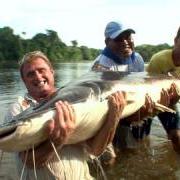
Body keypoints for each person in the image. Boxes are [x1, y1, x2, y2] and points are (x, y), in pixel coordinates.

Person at [4, 51, 127, 179]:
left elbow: (95, 149)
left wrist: (113, 117)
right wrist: (56, 141)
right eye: (30, 74)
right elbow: (29, 161)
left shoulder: (76, 99)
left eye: (42, 70)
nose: (38, 76)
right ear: (24, 80)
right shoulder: (19, 109)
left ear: (52, 72)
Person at [91, 21, 179, 164]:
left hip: (130, 106)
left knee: (137, 147)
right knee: (111, 159)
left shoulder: (137, 59)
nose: (125, 42)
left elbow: (141, 86)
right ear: (107, 42)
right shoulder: (101, 66)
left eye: (128, 36)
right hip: (108, 115)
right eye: (119, 38)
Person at [147, 26, 180, 153]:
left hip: (171, 102)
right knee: (140, 139)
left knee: (177, 138)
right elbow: (147, 87)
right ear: (176, 40)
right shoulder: (159, 59)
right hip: (150, 102)